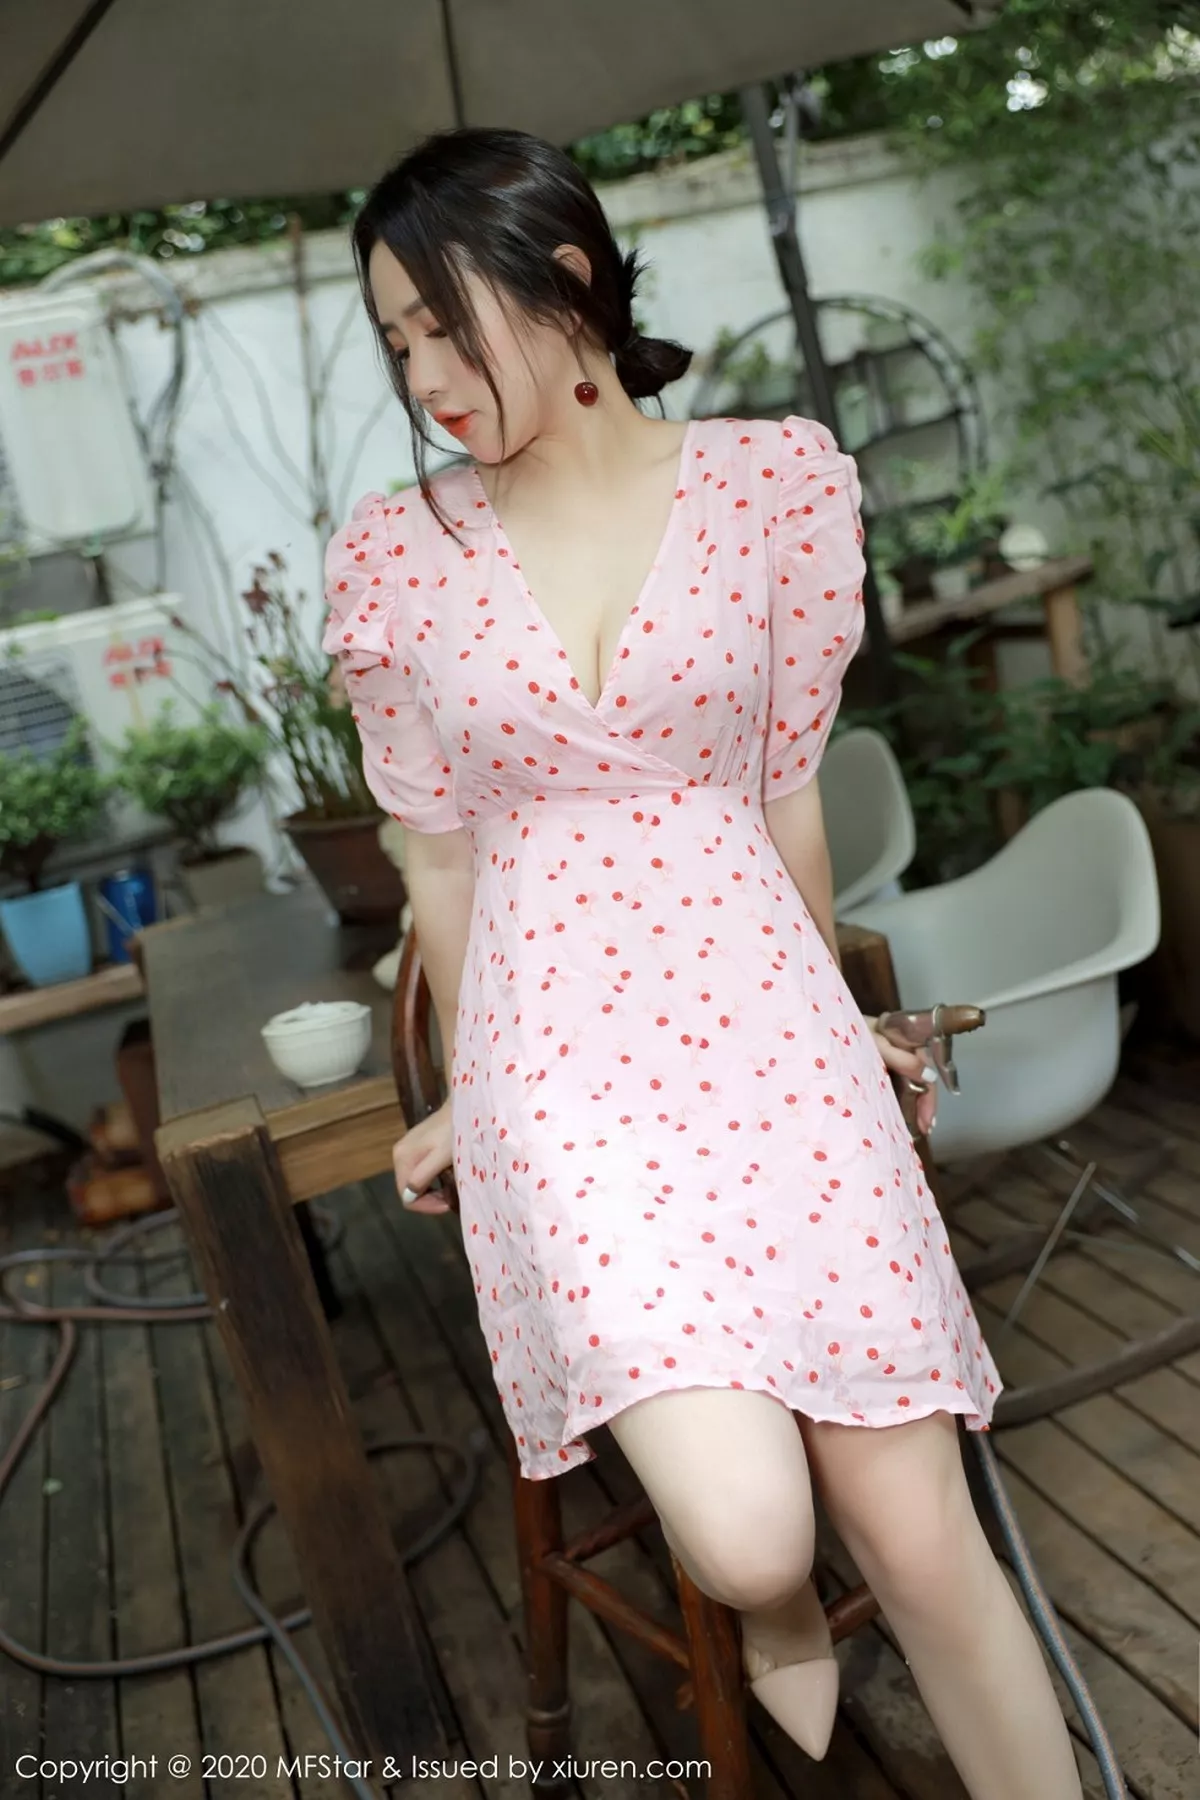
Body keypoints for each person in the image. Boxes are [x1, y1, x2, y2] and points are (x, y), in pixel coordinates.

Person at [322, 126, 1084, 1798]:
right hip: (567, 1078)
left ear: (566, 282)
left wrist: (839, 1018)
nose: (423, 377)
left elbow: (786, 794)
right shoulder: (398, 555)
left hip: (771, 1036)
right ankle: (777, 1607)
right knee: (749, 1535)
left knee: (923, 1537)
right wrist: (471, 1089)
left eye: (445, 326)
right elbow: (437, 854)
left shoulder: (772, 486)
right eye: (395, 342)